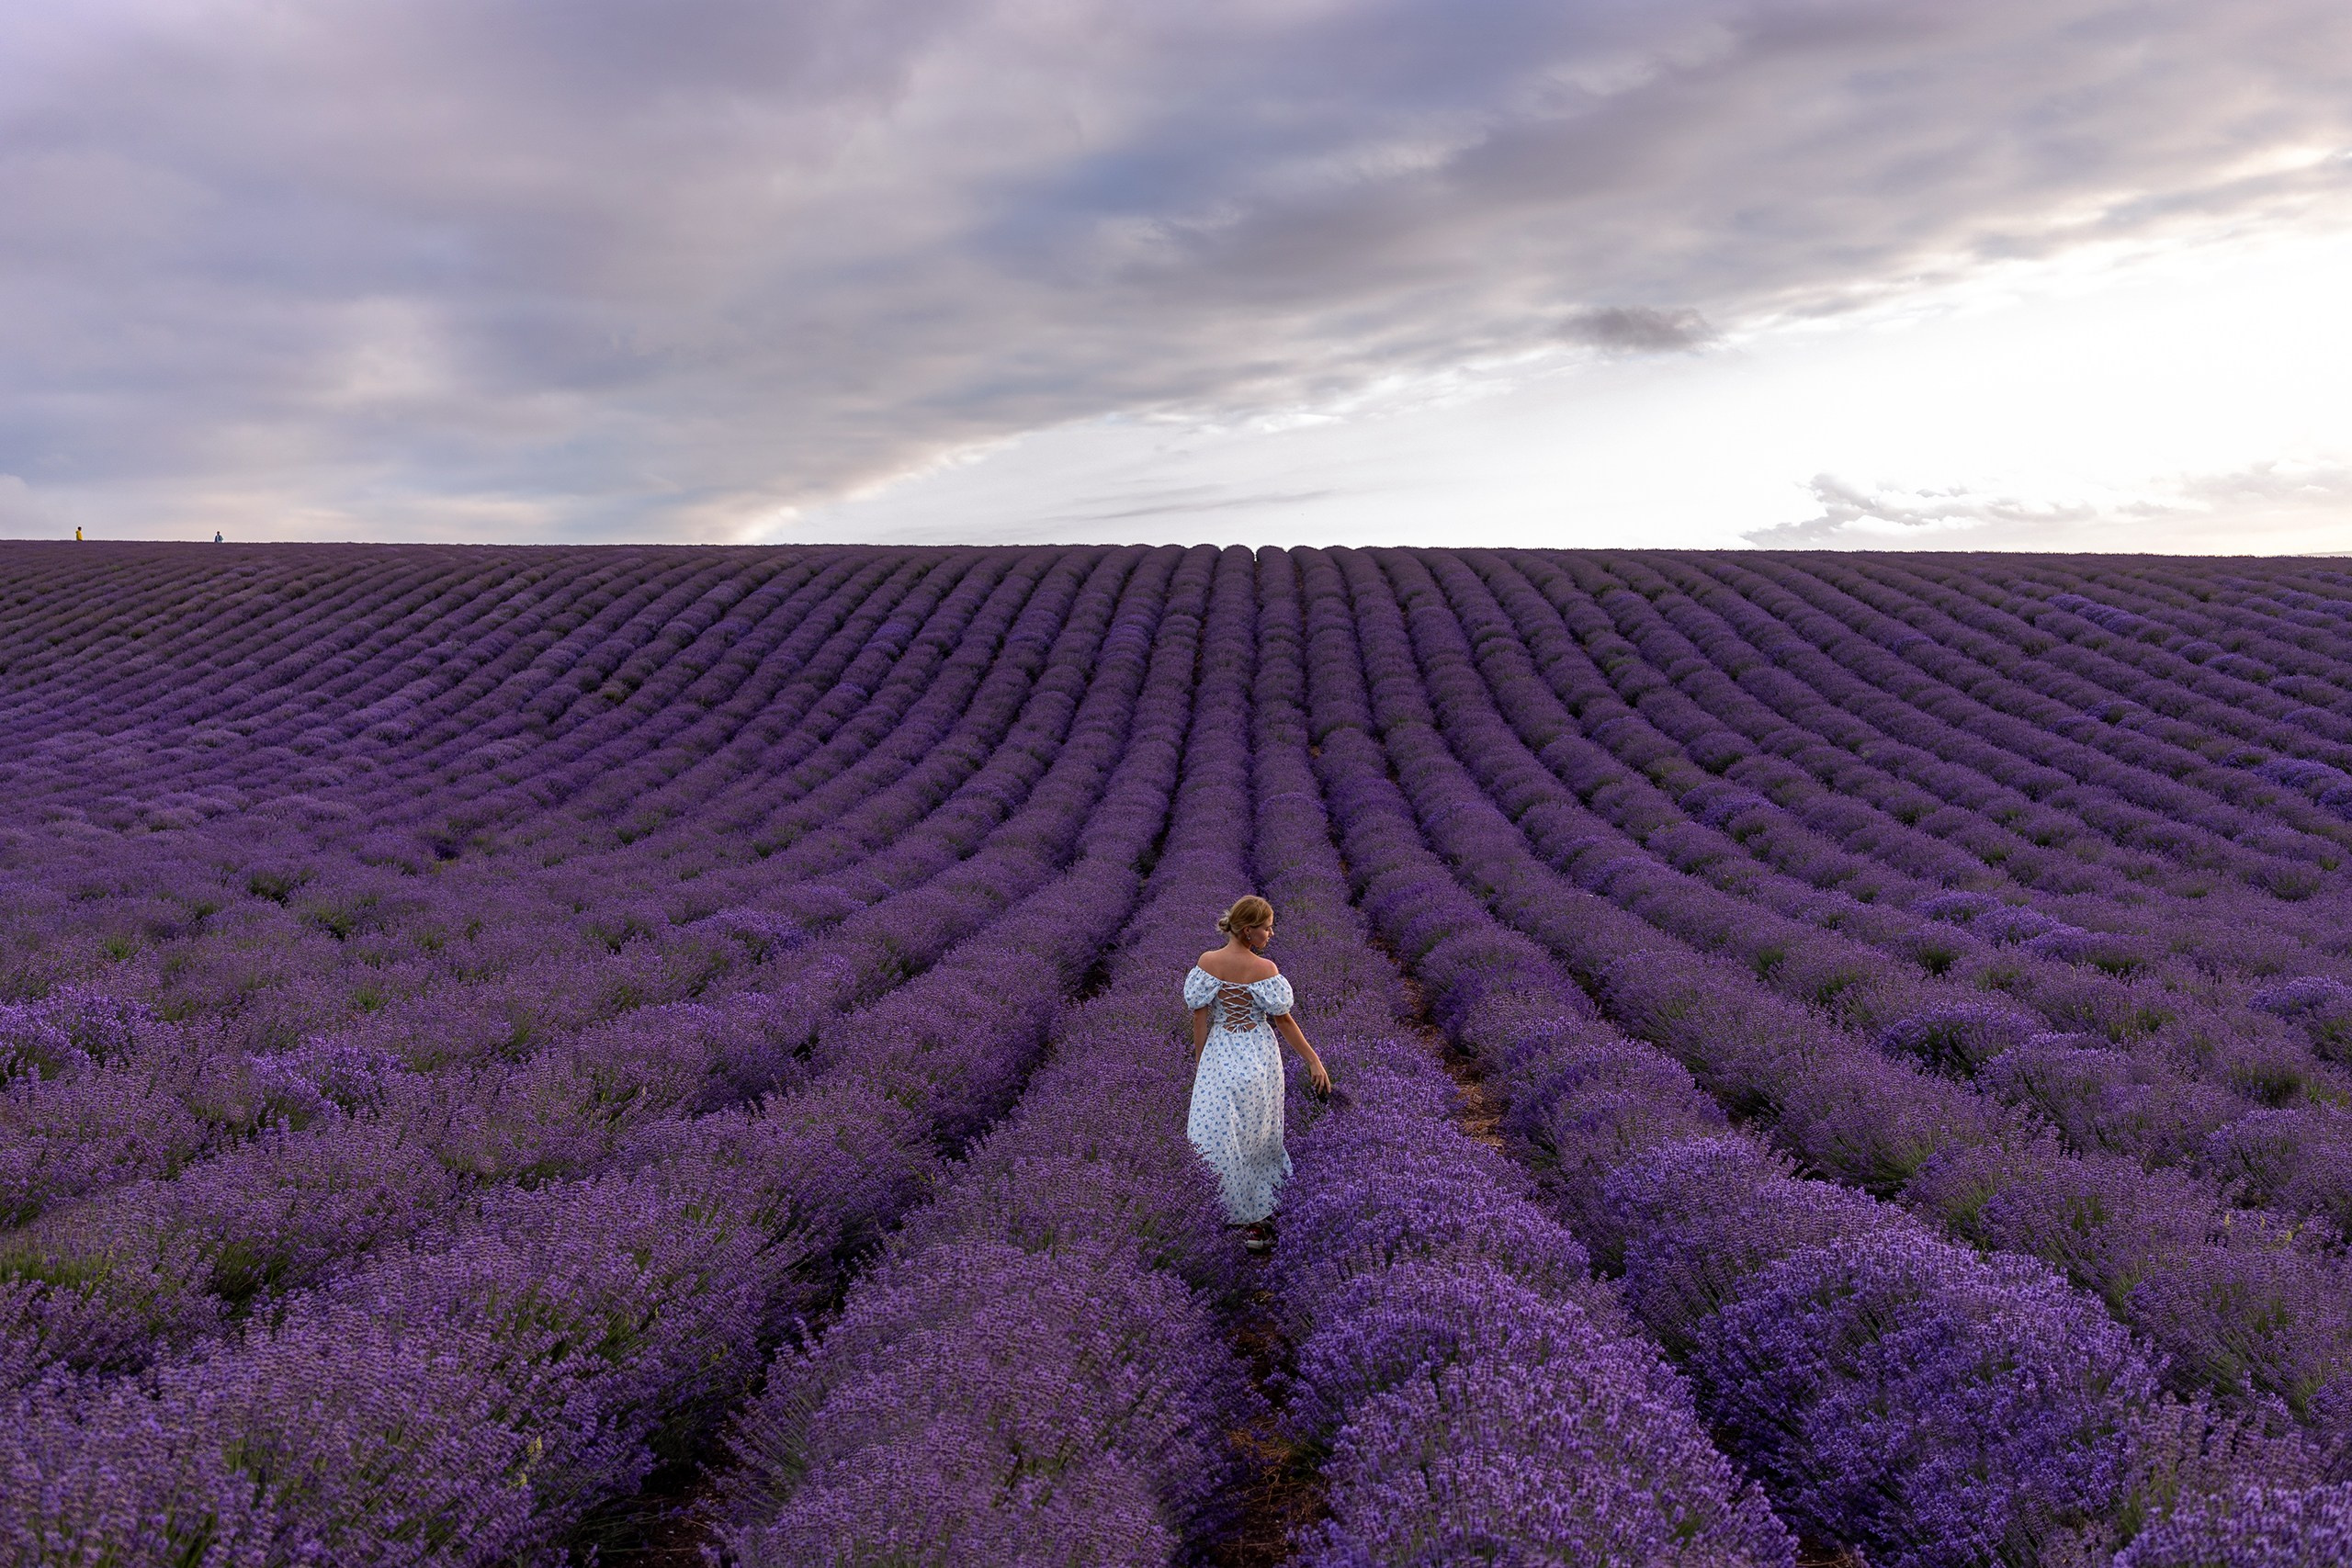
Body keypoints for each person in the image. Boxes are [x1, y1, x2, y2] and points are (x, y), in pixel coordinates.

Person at [1184, 895, 1330, 1252]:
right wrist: (1313, 1059)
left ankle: (1214, 1216)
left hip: (1219, 1054)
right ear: (1248, 931)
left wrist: (1203, 1064)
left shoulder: (1207, 962)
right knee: (1259, 1137)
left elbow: (1200, 1017)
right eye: (1266, 928)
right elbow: (1284, 1021)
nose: (1271, 933)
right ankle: (1256, 1220)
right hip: (1259, 1058)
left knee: (1212, 1136)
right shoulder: (1266, 970)